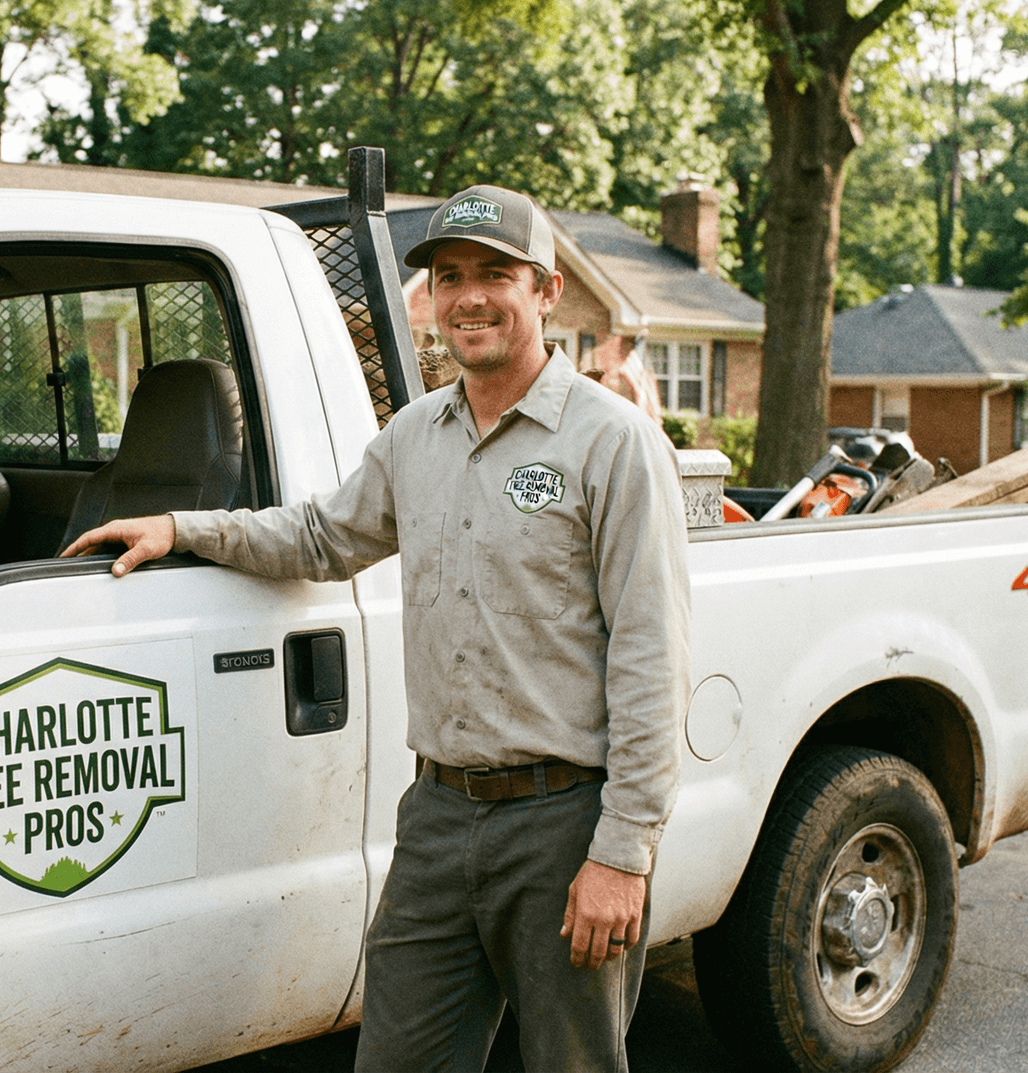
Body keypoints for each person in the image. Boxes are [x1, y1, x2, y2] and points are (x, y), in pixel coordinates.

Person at [62, 184, 690, 1072]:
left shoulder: (612, 443)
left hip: (563, 822)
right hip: (437, 817)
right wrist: (185, 528)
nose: (468, 295)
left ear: (546, 291)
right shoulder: (414, 437)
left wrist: (622, 854)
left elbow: (652, 654)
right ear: (429, 299)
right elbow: (321, 536)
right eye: (448, 277)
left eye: (494, 275)